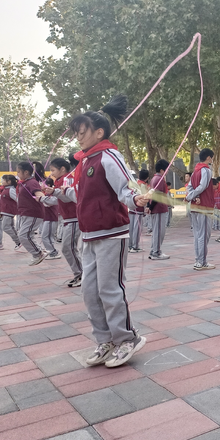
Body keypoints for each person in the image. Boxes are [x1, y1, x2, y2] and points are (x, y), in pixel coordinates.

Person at [59, 96, 147, 367]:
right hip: (89, 235)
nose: (78, 138)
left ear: (99, 132)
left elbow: (126, 188)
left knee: (110, 289)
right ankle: (105, 340)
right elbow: (82, 194)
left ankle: (126, 339)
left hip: (111, 233)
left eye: (82, 132)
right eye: (77, 133)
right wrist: (63, 192)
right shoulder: (85, 161)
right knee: (89, 290)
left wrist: (137, 199)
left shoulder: (109, 156)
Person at [47, 158, 83, 287]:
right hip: (68, 219)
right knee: (68, 247)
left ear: (62, 169)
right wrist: (44, 198)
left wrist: (55, 192)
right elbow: (59, 200)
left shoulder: (68, 179)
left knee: (68, 247)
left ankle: (81, 274)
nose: (51, 173)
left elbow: (70, 197)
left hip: (74, 218)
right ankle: (79, 274)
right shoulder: (58, 181)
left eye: (53, 170)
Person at [186, 149, 216, 270]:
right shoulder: (206, 170)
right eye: (212, 157)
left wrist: (192, 196)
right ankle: (201, 262)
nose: (212, 160)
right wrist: (192, 196)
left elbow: (190, 186)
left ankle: (198, 260)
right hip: (204, 206)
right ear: (208, 158)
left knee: (198, 234)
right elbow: (202, 186)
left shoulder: (195, 172)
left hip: (195, 205)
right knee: (203, 235)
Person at [16, 162, 46, 266]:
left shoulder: (31, 182)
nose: (17, 174)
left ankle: (38, 253)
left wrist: (45, 199)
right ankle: (39, 252)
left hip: (33, 213)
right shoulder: (24, 183)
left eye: (19, 172)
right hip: (26, 213)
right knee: (27, 234)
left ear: (26, 172)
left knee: (23, 235)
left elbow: (39, 194)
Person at [148, 160, 170, 260]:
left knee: (156, 231)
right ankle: (156, 252)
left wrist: (149, 206)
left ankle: (154, 250)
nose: (168, 171)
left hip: (155, 208)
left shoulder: (154, 179)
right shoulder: (159, 179)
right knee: (159, 231)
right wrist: (150, 207)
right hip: (159, 208)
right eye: (167, 169)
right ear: (162, 170)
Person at [40, 177, 61, 260]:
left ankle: (53, 252)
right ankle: (50, 251)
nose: (40, 185)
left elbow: (48, 203)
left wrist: (40, 198)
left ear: (48, 185)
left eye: (42, 183)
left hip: (51, 218)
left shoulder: (50, 194)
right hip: (48, 218)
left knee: (45, 236)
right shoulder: (46, 194)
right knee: (48, 236)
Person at [0, 175, 21, 250]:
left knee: (6, 227)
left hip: (9, 211)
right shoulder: (5, 189)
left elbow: (18, 200)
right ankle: (18, 242)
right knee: (8, 227)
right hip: (5, 211)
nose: (2, 181)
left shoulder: (11, 190)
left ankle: (19, 241)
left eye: (4, 180)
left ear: (9, 182)